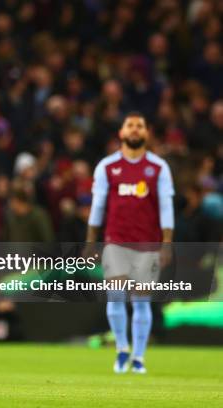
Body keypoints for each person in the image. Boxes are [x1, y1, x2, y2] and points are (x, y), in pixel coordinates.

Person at [86, 112, 174, 374]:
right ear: (122, 133)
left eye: (140, 125)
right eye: (130, 125)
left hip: (147, 245)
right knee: (115, 298)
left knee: (141, 301)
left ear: (146, 134)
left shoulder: (158, 167)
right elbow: (98, 205)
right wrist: (91, 240)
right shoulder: (107, 167)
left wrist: (167, 243)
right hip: (115, 242)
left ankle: (138, 357)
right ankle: (122, 350)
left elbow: (166, 207)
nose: (135, 129)